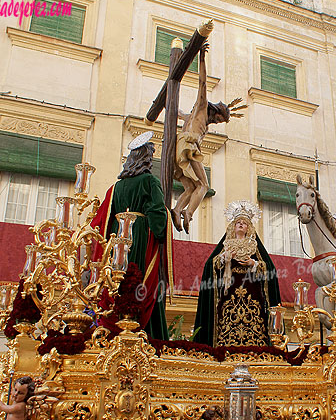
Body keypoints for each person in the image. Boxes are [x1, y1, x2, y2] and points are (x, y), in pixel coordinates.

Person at [91, 131, 172, 340]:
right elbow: (157, 216)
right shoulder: (150, 181)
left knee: (118, 283)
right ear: (145, 158)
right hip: (140, 239)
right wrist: (164, 223)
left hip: (117, 242)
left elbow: (103, 221)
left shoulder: (116, 187)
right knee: (142, 282)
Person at [171, 41, 246, 233]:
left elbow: (177, 112)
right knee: (204, 185)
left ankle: (178, 209)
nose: (219, 123)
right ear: (218, 113)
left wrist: (167, 102)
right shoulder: (202, 107)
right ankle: (188, 214)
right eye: (221, 120)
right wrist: (202, 58)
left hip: (180, 145)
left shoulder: (191, 115)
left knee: (190, 187)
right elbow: (202, 83)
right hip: (189, 144)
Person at [192, 200, 281, 347]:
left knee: (254, 319)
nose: (240, 224)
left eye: (244, 223)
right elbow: (211, 265)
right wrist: (224, 258)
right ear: (233, 226)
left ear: (248, 228)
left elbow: (269, 269)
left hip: (252, 292)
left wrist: (254, 264)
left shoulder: (255, 246)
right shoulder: (226, 245)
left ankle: (255, 347)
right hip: (229, 292)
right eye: (238, 222)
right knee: (226, 317)